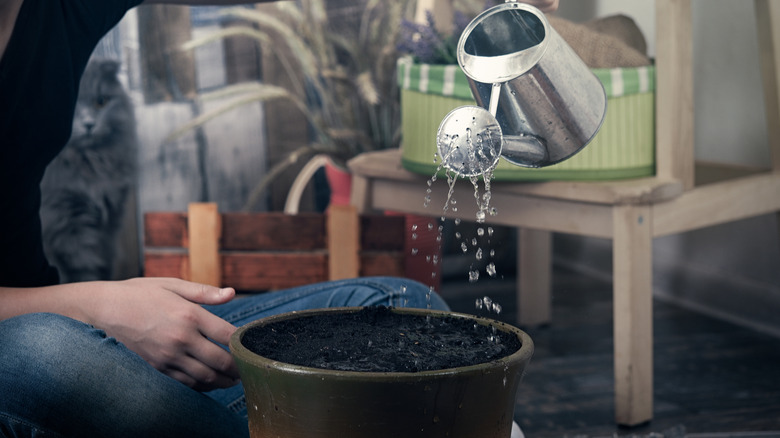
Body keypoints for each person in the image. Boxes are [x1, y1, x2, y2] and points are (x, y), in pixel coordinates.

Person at [0, 0, 558, 436]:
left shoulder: (55, 7)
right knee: (46, 353)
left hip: (76, 333)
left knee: (396, 309)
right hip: (32, 354)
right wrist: (98, 306)